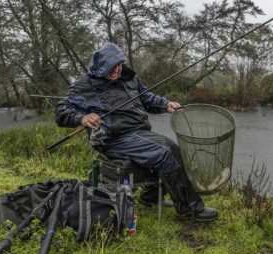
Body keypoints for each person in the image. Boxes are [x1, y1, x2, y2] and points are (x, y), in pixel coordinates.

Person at [55, 42, 218, 222]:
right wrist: (82, 118)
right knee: (165, 152)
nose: (117, 70)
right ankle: (190, 210)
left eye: (119, 65)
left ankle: (149, 198)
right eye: (111, 67)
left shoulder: (129, 77)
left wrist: (166, 104)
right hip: (112, 139)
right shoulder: (84, 84)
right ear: (101, 66)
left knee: (169, 147)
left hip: (139, 132)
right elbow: (61, 111)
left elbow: (147, 97)